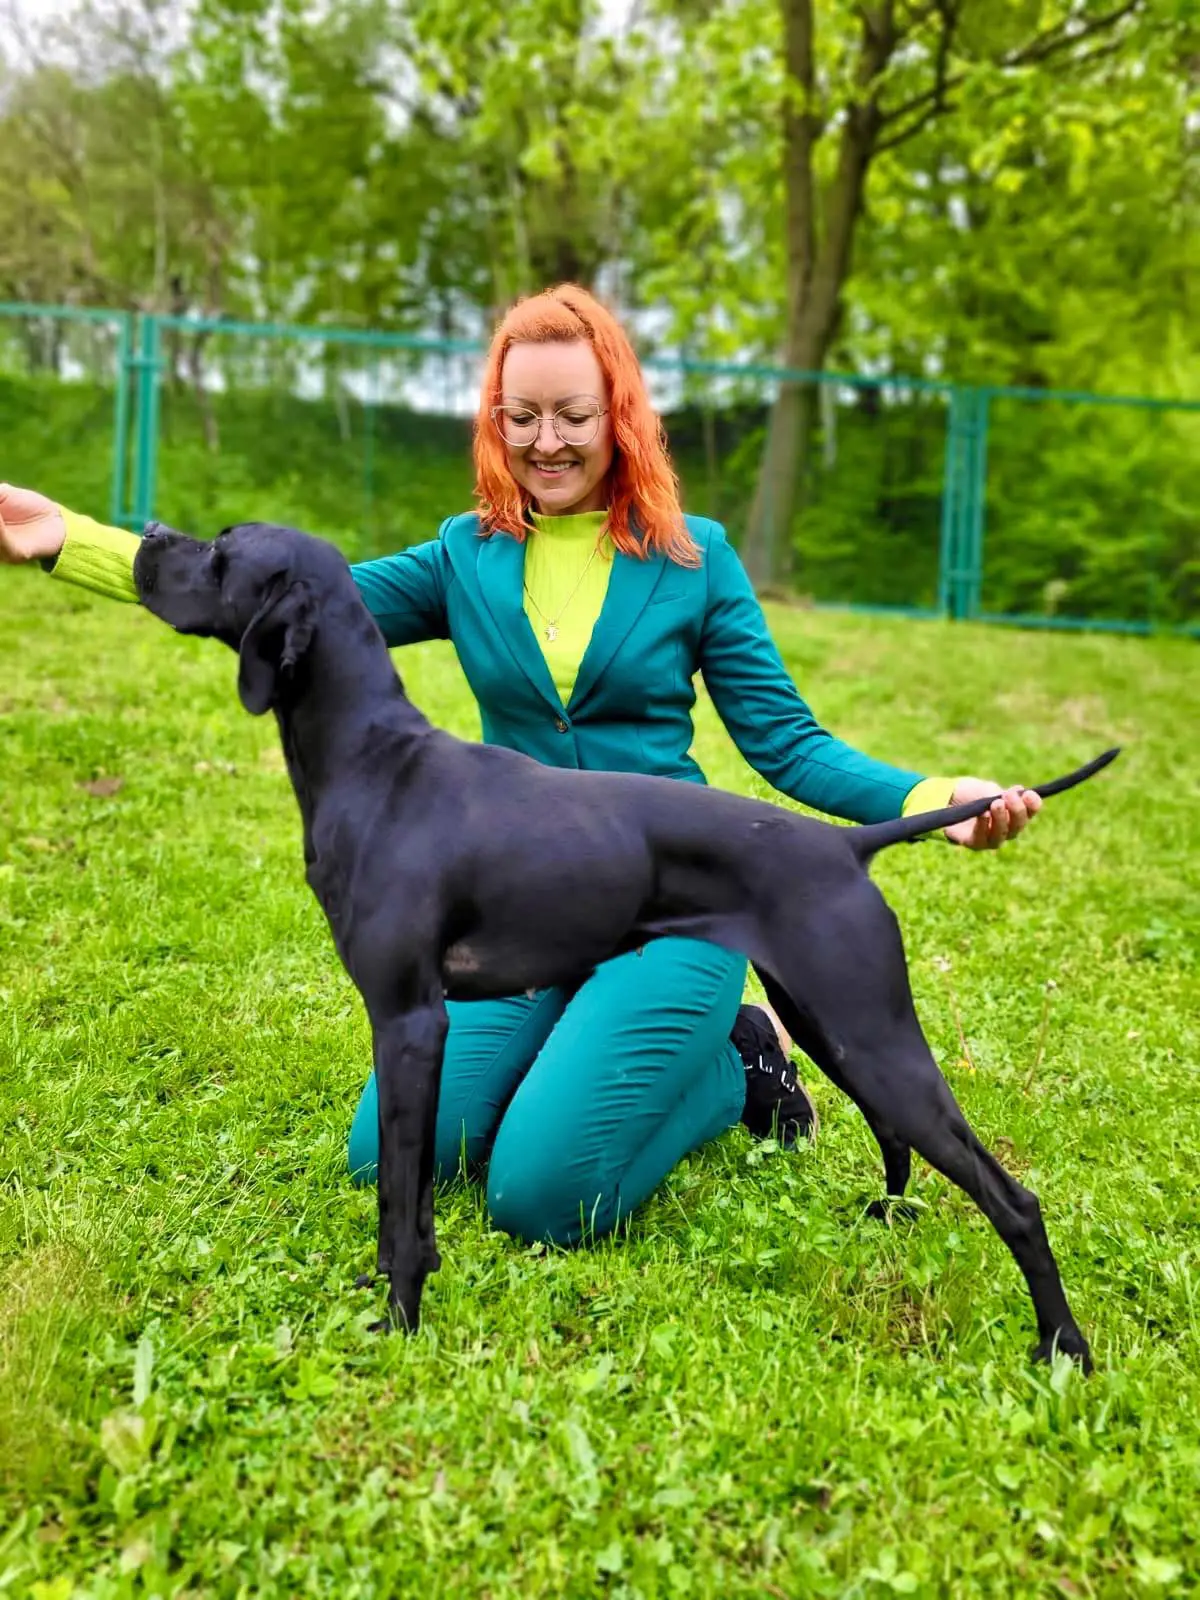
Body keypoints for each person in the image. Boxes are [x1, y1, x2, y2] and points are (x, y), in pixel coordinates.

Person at [0, 283, 1041, 1249]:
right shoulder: (465, 554)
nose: (548, 442)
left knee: (542, 1192)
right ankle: (591, 1052)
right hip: (515, 902)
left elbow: (787, 743)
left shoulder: (693, 557)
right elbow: (274, 604)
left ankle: (738, 1061)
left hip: (675, 894)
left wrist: (927, 798)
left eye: (574, 416)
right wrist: (63, 540)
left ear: (619, 413)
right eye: (522, 415)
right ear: (497, 421)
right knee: (393, 1155)